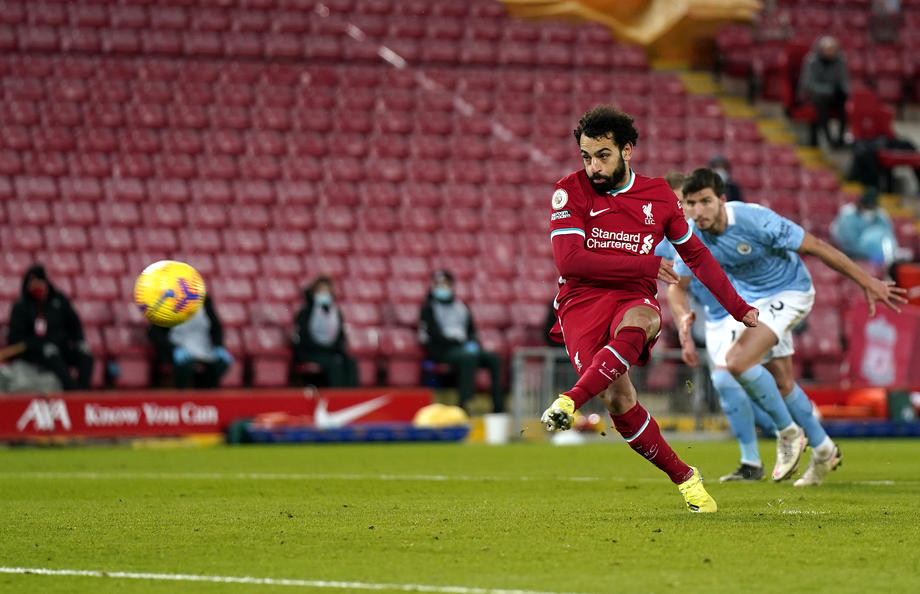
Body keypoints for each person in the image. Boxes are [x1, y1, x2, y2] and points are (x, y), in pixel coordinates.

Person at [542, 105, 758, 513]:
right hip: (581, 300)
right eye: (586, 157)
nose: (593, 166)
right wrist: (643, 264)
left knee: (645, 318)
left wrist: (737, 306)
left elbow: (696, 255)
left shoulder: (658, 195)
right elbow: (569, 262)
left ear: (627, 151)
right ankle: (685, 476)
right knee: (617, 399)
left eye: (602, 155)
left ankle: (570, 399)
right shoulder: (569, 191)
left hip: (633, 294)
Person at [669, 168, 906, 486]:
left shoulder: (756, 220)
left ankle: (788, 433)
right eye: (691, 203)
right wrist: (682, 317)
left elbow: (816, 246)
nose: (698, 211)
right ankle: (824, 450)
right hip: (755, 303)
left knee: (736, 362)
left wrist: (866, 281)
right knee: (782, 383)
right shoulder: (690, 236)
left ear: (722, 200)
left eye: (705, 202)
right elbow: (677, 286)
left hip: (791, 291)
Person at [658, 175, 777, 482]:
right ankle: (780, 436)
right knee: (733, 386)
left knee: (729, 380)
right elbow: (674, 287)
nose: (683, 209)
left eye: (685, 202)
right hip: (714, 317)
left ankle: (782, 436)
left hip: (743, 307)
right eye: (677, 203)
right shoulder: (662, 240)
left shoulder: (708, 230)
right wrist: (683, 329)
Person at [419, 270, 504, 413]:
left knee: (494, 359)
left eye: (446, 284)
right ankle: (464, 404)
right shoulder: (428, 308)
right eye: (439, 284)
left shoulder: (461, 307)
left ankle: (498, 405)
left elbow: (471, 330)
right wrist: (458, 344)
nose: (443, 288)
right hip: (441, 349)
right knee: (468, 358)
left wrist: (472, 342)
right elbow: (432, 335)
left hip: (463, 348)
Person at [6, 264, 93, 390]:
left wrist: (80, 341)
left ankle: (82, 392)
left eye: (39, 283)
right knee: (54, 358)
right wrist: (40, 345)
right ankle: (72, 393)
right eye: (33, 285)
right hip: (36, 352)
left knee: (86, 356)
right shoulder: (21, 306)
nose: (37, 288)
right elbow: (16, 339)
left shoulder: (58, 299)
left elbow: (74, 323)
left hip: (61, 346)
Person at [149, 295, 232, 389]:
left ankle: (207, 392)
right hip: (176, 350)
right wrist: (173, 349)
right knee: (185, 365)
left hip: (202, 349)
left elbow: (216, 327)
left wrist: (219, 346)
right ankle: (181, 393)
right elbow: (154, 333)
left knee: (221, 363)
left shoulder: (205, 301)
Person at [291, 276, 358, 387]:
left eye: (327, 291)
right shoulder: (305, 313)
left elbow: (340, 336)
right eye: (321, 291)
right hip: (311, 352)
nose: (324, 294)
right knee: (334, 364)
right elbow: (302, 339)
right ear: (313, 293)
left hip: (331, 352)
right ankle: (336, 395)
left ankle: (351, 395)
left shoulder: (336, 313)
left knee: (350, 362)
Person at [798, 36, 850, 148]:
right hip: (816, 96)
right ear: (820, 49)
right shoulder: (811, 61)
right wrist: (828, 89)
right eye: (827, 49)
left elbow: (844, 80)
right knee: (821, 102)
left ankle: (841, 138)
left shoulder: (840, 61)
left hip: (834, 95)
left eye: (832, 49)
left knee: (844, 100)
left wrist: (843, 90)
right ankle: (828, 138)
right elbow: (808, 84)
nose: (830, 52)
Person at [831, 186, 899, 266]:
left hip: (875, 257)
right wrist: (867, 255)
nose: (869, 210)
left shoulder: (880, 215)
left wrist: (881, 256)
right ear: (860, 204)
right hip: (849, 254)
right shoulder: (847, 214)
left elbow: (888, 238)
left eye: (872, 207)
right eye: (867, 206)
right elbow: (848, 243)